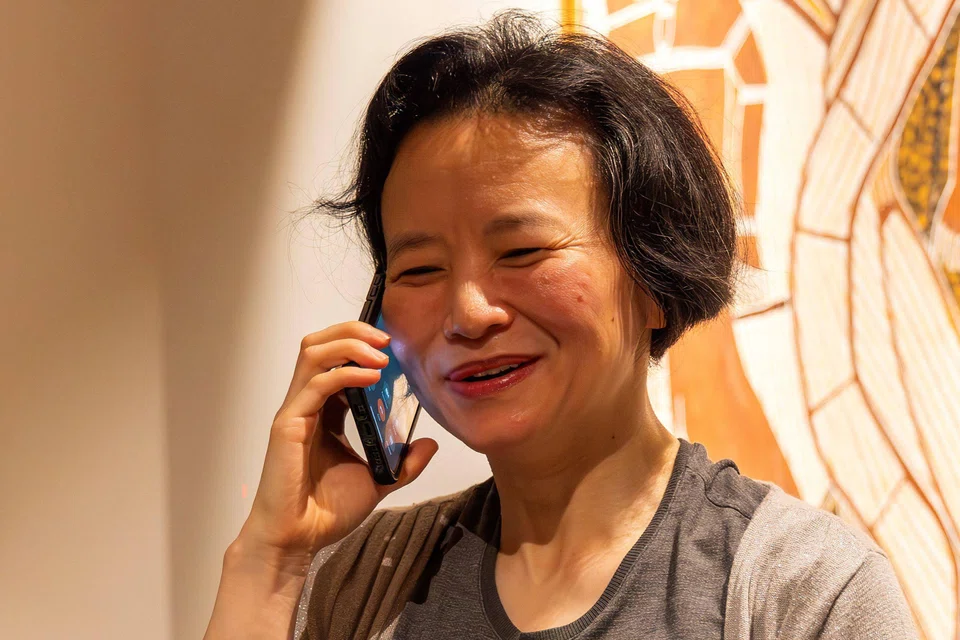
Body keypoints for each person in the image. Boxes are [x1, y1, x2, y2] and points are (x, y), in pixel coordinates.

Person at [203, 11, 917, 640]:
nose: (469, 312)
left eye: (523, 252)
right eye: (419, 269)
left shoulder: (806, 590)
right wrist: (270, 557)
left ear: (654, 276)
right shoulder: (363, 580)